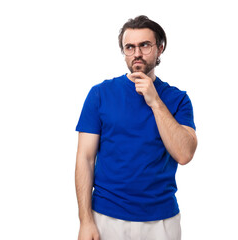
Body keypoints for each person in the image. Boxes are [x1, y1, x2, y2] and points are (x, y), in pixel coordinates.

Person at [75, 15, 198, 240]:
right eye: (129, 47)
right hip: (106, 217)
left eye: (145, 45)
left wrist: (155, 101)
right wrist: (85, 221)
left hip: (161, 222)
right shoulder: (100, 94)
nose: (137, 53)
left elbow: (184, 153)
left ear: (160, 49)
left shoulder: (178, 99)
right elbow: (84, 159)